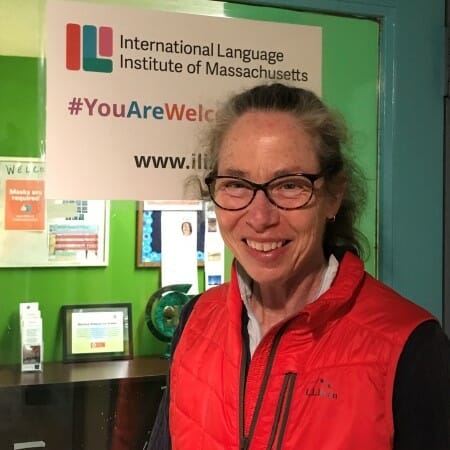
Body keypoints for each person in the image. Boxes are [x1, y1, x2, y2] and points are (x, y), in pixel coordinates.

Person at [148, 83, 450, 450]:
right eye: (236, 184)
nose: (259, 217)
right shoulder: (196, 320)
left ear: (333, 196)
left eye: (290, 185)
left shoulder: (409, 346)